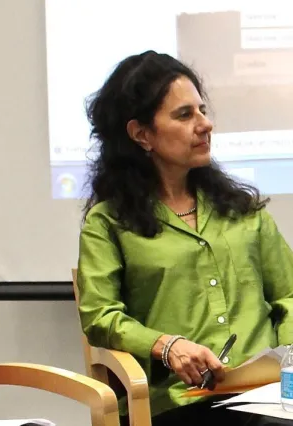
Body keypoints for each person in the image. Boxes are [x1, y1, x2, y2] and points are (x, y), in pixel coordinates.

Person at [76, 50, 293, 426]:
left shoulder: (242, 211)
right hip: (177, 403)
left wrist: (287, 362)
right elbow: (100, 316)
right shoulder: (108, 222)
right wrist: (166, 345)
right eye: (184, 115)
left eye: (202, 110)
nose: (204, 124)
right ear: (141, 134)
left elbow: (288, 296)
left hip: (268, 396)